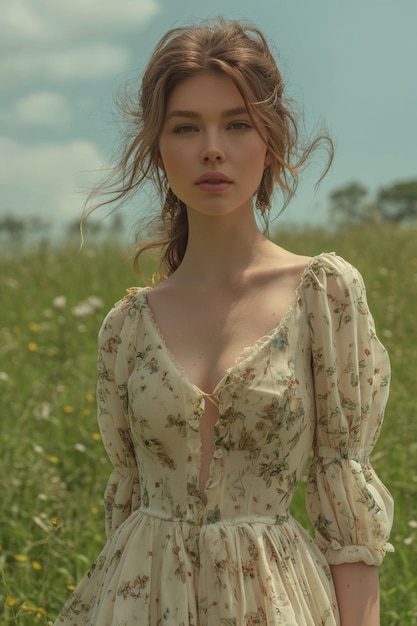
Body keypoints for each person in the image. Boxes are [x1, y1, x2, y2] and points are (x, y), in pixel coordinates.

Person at [54, 18, 394, 626]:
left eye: (237, 124)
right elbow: (126, 506)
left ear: (269, 140)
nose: (213, 147)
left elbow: (348, 515)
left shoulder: (325, 294)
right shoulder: (127, 326)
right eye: (187, 127)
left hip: (273, 601)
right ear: (160, 149)